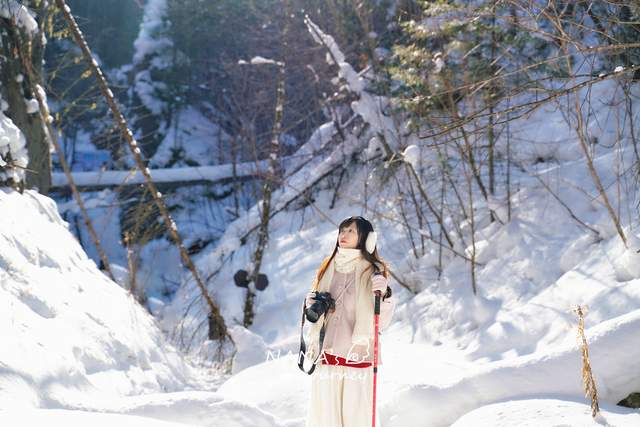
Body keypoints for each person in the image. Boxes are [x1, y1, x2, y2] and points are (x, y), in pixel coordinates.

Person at [303, 216, 395, 427]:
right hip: (327, 354)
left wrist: (385, 295)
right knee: (325, 417)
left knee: (356, 417)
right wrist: (311, 303)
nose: (343, 235)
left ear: (366, 238)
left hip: (357, 355)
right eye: (342, 231)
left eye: (350, 231)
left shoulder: (373, 272)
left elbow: (382, 321)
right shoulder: (327, 267)